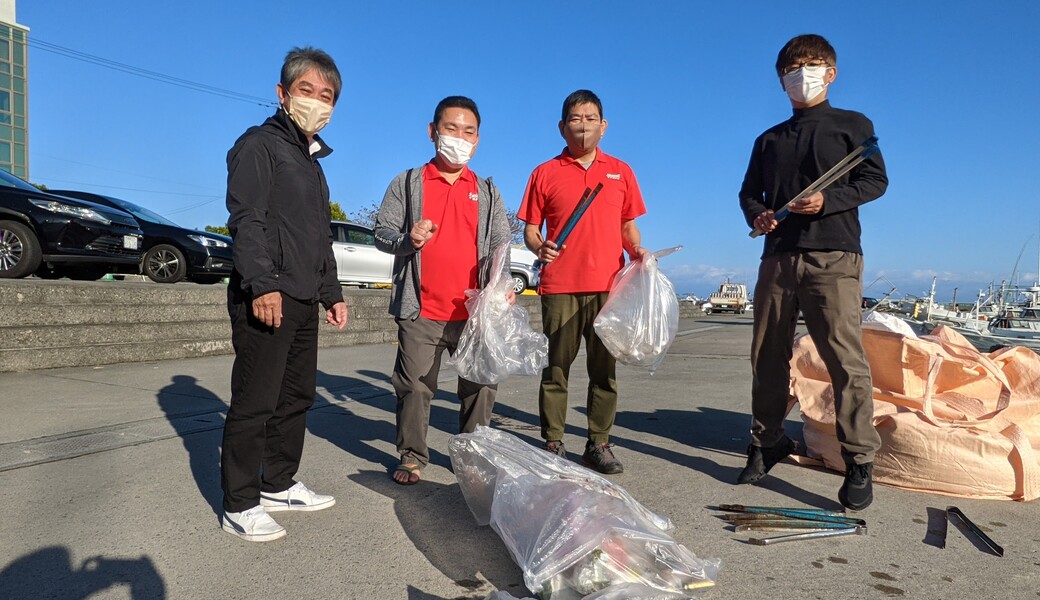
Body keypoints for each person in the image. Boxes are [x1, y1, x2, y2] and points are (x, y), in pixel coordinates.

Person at [737, 34, 888, 510]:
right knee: (766, 356)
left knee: (844, 360)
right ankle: (767, 442)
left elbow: (875, 180)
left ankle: (860, 460)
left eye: (813, 64)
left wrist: (828, 200)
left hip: (834, 256)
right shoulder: (769, 139)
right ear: (781, 78)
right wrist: (757, 216)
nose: (803, 73)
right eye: (793, 66)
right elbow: (748, 194)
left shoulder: (852, 125)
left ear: (831, 72)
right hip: (778, 257)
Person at [221, 47, 348, 541]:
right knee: (255, 399)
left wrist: (331, 291)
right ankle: (238, 502)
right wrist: (261, 284)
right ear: (282, 94)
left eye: (327, 96)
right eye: (307, 91)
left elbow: (318, 235)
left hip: (301, 297)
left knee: (295, 396)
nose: (317, 102)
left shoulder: (312, 162)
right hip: (267, 294)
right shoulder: (259, 145)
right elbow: (247, 218)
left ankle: (277, 482)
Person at [374, 96, 512, 485]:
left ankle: (473, 455)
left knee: (481, 387)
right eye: (451, 129)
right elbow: (381, 233)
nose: (459, 137)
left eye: (468, 131)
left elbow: (501, 243)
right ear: (433, 132)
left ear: (478, 139)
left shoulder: (486, 191)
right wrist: (407, 238)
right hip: (422, 309)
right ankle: (413, 456)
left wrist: (502, 286)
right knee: (415, 387)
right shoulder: (407, 183)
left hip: (473, 312)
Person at [518, 89, 649, 475]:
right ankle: (553, 441)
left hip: (609, 286)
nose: (583, 125)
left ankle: (599, 442)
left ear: (603, 126)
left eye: (591, 118)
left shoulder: (620, 171)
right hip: (559, 284)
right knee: (556, 368)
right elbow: (530, 229)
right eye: (576, 118)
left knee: (603, 370)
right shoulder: (544, 172)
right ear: (562, 126)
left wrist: (638, 250)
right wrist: (540, 248)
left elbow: (629, 226)